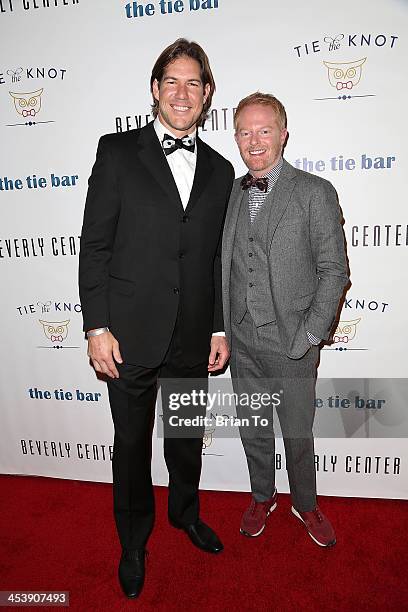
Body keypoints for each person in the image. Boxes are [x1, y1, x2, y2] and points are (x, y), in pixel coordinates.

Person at [79, 38, 234, 599]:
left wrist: (218, 326)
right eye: (171, 81)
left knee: (185, 437)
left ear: (207, 94)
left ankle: (186, 514)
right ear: (154, 90)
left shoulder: (220, 170)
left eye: (193, 82)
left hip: (193, 333)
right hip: (128, 334)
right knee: (131, 442)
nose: (182, 92)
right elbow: (94, 244)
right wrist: (97, 327)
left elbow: (216, 256)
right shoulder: (117, 152)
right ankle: (133, 540)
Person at [222, 92, 348, 547]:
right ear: (235, 136)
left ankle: (306, 503)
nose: (254, 141)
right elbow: (226, 267)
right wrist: (224, 331)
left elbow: (334, 271)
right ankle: (262, 495)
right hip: (242, 342)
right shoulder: (231, 194)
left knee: (297, 433)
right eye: (244, 131)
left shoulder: (315, 192)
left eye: (264, 130)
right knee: (253, 427)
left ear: (283, 134)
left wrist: (311, 334)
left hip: (294, 342)